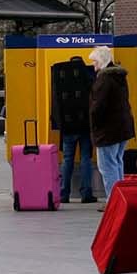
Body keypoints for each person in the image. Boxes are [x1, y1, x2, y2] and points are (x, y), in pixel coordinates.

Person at [88, 46, 135, 200]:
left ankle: (114, 200)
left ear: (101, 61)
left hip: (108, 130)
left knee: (107, 167)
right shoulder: (119, 77)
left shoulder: (104, 79)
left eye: (94, 62)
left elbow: (98, 107)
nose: (93, 66)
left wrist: (94, 126)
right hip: (123, 127)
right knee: (117, 162)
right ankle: (122, 198)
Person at [52, 55, 96, 203]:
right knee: (85, 159)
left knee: (67, 159)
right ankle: (86, 193)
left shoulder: (60, 76)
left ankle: (64, 194)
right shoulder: (88, 76)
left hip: (67, 127)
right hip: (84, 127)